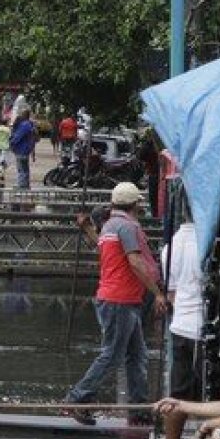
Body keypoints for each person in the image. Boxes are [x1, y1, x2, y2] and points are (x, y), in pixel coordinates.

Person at [63, 182, 167, 425]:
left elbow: (102, 247)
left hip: (120, 299)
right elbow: (136, 262)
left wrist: (87, 228)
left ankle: (139, 410)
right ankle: (77, 399)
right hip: (119, 300)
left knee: (137, 356)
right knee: (112, 355)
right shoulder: (127, 227)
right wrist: (157, 292)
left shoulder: (110, 225)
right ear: (136, 205)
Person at [160, 209, 205, 439]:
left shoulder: (171, 247)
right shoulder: (206, 239)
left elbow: (173, 293)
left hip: (181, 326)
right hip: (202, 327)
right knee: (215, 393)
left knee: (177, 393)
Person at [9, 109, 36, 190]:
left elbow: (18, 136)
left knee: (21, 168)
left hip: (21, 149)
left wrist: (11, 143)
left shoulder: (25, 125)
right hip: (26, 149)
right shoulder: (30, 125)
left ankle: (21, 185)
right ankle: (25, 184)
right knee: (25, 168)